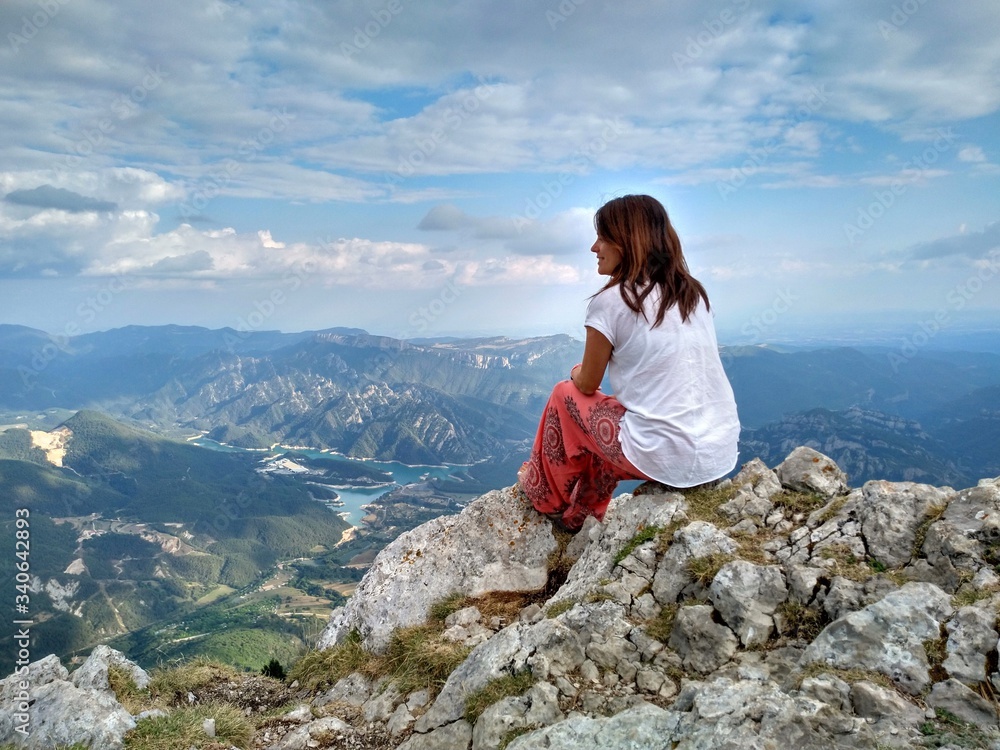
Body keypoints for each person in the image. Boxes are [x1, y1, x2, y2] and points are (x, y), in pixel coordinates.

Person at [517, 194, 740, 531]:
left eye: (603, 237)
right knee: (613, 423)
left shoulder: (611, 302)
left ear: (627, 241)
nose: (594, 247)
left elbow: (587, 384)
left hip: (664, 454)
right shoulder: (693, 294)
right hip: (717, 453)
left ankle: (544, 497)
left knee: (564, 395)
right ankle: (581, 516)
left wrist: (576, 373)